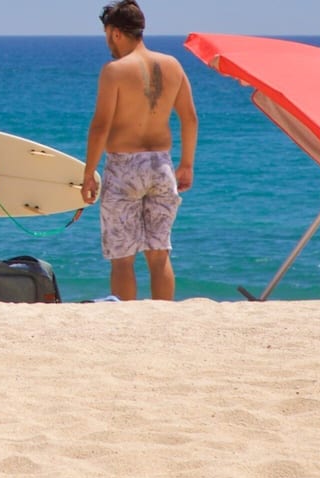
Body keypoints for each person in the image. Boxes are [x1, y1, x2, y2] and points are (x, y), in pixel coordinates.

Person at [80, 0, 198, 301]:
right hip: (161, 165)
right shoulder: (172, 65)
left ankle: (127, 319)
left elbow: (100, 126)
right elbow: (189, 117)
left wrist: (88, 173)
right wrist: (187, 164)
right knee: (159, 253)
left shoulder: (115, 70)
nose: (108, 40)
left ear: (117, 32)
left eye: (108, 33)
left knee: (122, 257)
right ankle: (163, 318)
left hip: (124, 166)